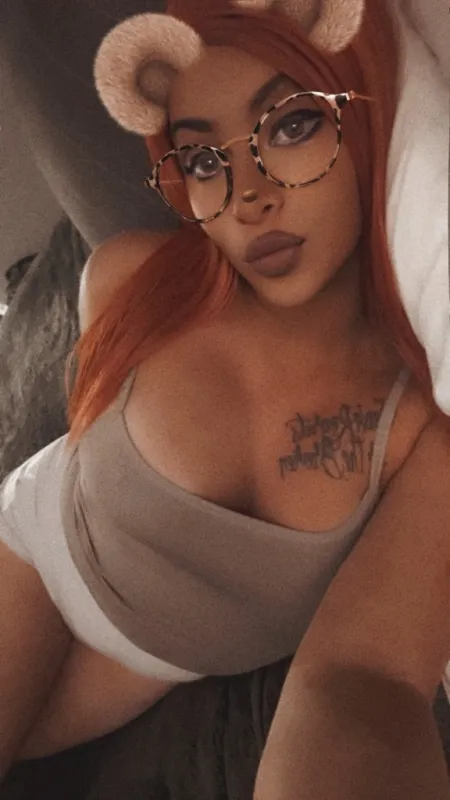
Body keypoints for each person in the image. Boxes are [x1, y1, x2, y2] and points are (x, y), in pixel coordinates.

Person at [0, 0, 449, 796]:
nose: (248, 196)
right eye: (205, 161)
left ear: (367, 114)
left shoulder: (420, 426)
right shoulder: (130, 278)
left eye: (291, 125)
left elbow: (363, 682)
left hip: (144, 660)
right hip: (33, 552)